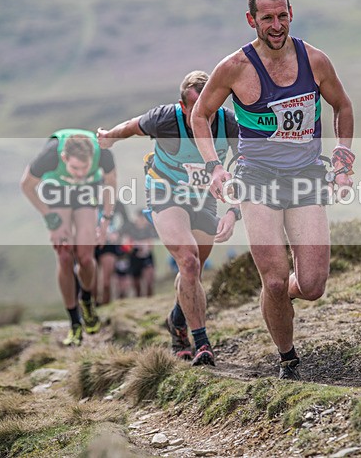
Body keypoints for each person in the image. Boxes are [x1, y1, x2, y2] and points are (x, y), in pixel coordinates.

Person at [190, 0, 355, 380]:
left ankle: (275, 296)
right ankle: (288, 358)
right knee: (277, 281)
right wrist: (214, 165)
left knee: (312, 285)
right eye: (267, 18)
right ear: (253, 20)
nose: (276, 25)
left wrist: (343, 158)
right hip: (256, 178)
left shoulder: (315, 60)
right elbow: (199, 115)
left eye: (282, 15)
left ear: (291, 14)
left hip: (304, 177)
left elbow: (343, 106)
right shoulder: (234, 68)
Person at [97, 70, 240, 366]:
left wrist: (233, 210)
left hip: (204, 199)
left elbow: (245, 165)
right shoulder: (166, 119)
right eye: (196, 108)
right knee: (187, 261)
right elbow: (132, 126)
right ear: (183, 105)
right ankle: (200, 343)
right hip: (166, 193)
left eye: (209, 108)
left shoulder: (228, 122)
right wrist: (109, 137)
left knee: (194, 271)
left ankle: (176, 320)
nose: (203, 115)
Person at [20, 129, 116, 346]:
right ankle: (74, 322)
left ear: (92, 158)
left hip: (86, 193)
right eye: (74, 167)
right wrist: (50, 219)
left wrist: (105, 220)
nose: (80, 172)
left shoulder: (103, 152)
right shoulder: (50, 155)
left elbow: (111, 183)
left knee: (85, 256)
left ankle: (87, 300)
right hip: (58, 191)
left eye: (85, 167)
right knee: (64, 256)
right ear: (64, 159)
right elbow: (26, 185)